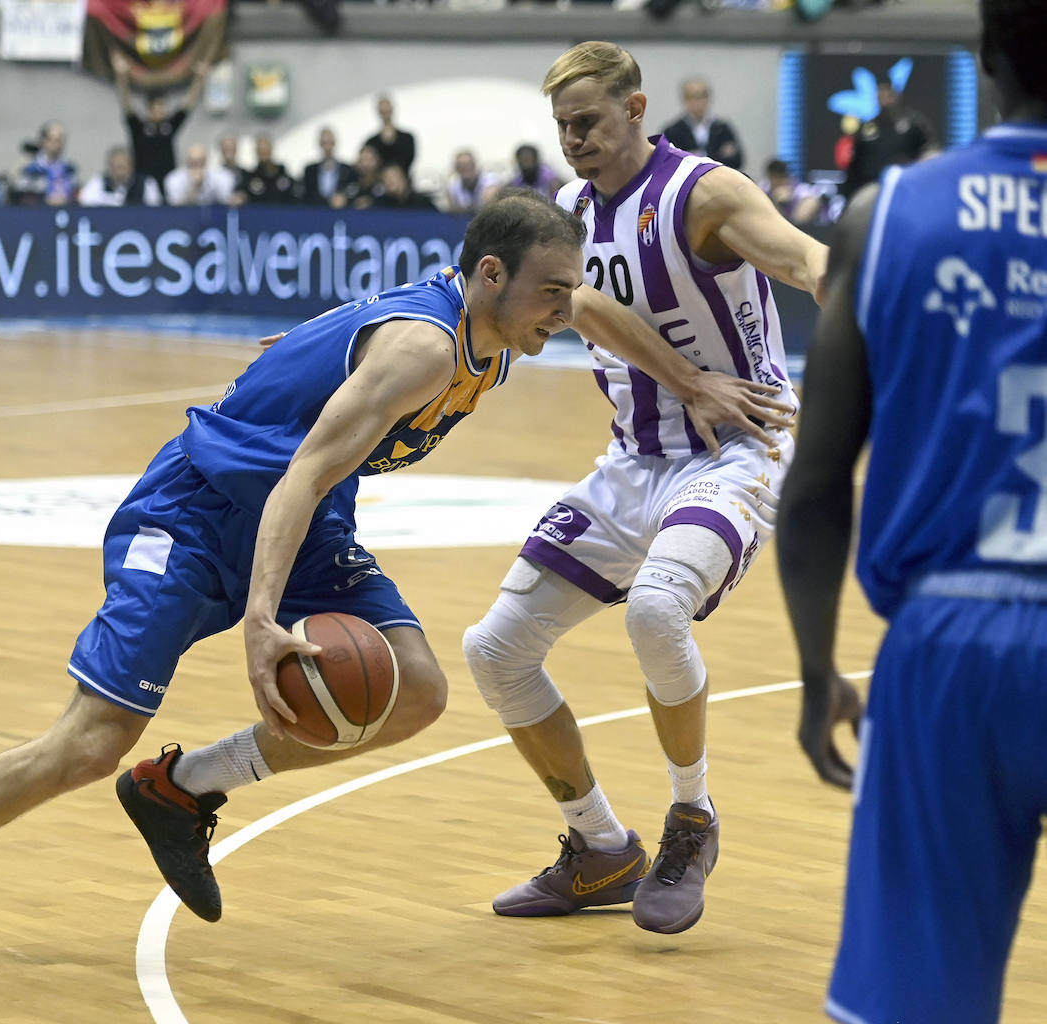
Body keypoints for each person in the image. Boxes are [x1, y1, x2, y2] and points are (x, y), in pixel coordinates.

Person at [0, 191, 592, 975]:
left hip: (307, 524)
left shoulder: (488, 342)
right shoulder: (425, 349)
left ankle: (181, 788)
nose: (566, 311)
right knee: (89, 744)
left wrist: (300, 348)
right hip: (196, 513)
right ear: (490, 273)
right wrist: (261, 619)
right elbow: (303, 472)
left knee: (416, 691)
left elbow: (348, 343)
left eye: (575, 290)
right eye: (553, 292)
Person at [462, 40, 825, 934]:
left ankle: (692, 818)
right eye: (560, 127)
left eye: (585, 121)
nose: (572, 139)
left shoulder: (703, 195)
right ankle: (599, 849)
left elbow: (806, 262)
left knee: (655, 612)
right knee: (494, 650)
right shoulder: (571, 211)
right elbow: (583, 306)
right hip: (633, 461)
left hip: (739, 448)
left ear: (635, 110)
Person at [776, 2, 1046, 1021]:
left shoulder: (889, 214)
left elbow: (812, 488)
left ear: (987, 58)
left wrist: (815, 672)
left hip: (950, 646)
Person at [113, 48, 207, 196]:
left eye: (161, 108)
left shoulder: (169, 126)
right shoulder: (139, 127)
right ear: (149, 110)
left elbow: (188, 105)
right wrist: (122, 77)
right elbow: (125, 104)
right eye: (155, 109)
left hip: (167, 181)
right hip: (142, 182)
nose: (159, 112)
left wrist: (200, 79)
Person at [839, 73, 935, 198]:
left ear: (896, 94)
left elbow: (930, 154)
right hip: (870, 191)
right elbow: (854, 168)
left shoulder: (914, 125)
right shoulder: (866, 128)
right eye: (881, 92)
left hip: (905, 189)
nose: (885, 96)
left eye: (888, 91)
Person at [661, 76, 745, 171]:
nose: (698, 102)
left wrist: (694, 156)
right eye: (692, 97)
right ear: (684, 100)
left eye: (702, 96)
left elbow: (737, 160)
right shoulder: (672, 131)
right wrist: (717, 156)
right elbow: (668, 163)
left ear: (708, 98)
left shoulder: (722, 128)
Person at [15, 122, 78, 207]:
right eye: (52, 139)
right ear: (43, 141)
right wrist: (45, 199)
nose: (56, 144)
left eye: (60, 140)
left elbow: (76, 195)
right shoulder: (32, 169)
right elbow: (22, 196)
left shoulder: (69, 169)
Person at [77, 145, 162, 207]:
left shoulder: (146, 182)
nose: (121, 172)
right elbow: (85, 200)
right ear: (110, 167)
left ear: (132, 166)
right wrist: (111, 200)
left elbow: (155, 206)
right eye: (117, 167)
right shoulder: (99, 181)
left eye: (124, 167)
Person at [760, 157, 828, 226]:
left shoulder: (803, 191)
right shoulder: (764, 189)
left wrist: (784, 204)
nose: (778, 182)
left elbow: (798, 223)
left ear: (788, 177)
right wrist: (775, 202)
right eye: (774, 178)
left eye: (781, 178)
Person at [363, 94, 416, 178]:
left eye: (387, 109)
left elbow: (408, 160)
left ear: (392, 109)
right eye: (382, 110)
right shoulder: (371, 142)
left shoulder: (407, 138)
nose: (385, 112)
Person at [163, 143, 234, 206]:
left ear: (206, 160)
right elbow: (173, 206)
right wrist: (194, 188)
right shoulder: (174, 178)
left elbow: (226, 201)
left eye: (200, 161)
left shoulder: (221, 176)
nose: (197, 166)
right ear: (187, 161)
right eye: (193, 162)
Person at [301, 127, 356, 207]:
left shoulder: (347, 170)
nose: (327, 147)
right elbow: (306, 193)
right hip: (315, 211)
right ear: (320, 144)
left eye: (330, 143)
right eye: (324, 143)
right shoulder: (310, 170)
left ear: (334, 143)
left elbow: (352, 191)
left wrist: (344, 198)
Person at [239, 135, 299, 205]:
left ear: (271, 150)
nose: (263, 153)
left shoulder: (283, 174)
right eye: (260, 151)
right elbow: (242, 194)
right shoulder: (250, 177)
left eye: (265, 150)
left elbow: (294, 194)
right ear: (256, 152)